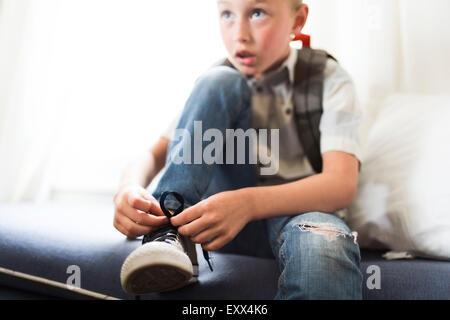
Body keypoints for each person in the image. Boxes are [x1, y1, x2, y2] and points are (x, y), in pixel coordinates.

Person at [113, 0, 363, 299]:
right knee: (218, 81)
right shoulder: (216, 80)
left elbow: (341, 184)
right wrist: (128, 188)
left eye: (257, 13)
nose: (239, 34)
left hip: (298, 214)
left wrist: (248, 204)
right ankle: (167, 236)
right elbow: (154, 155)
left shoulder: (327, 77)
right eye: (227, 15)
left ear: (297, 21)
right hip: (214, 224)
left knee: (325, 242)